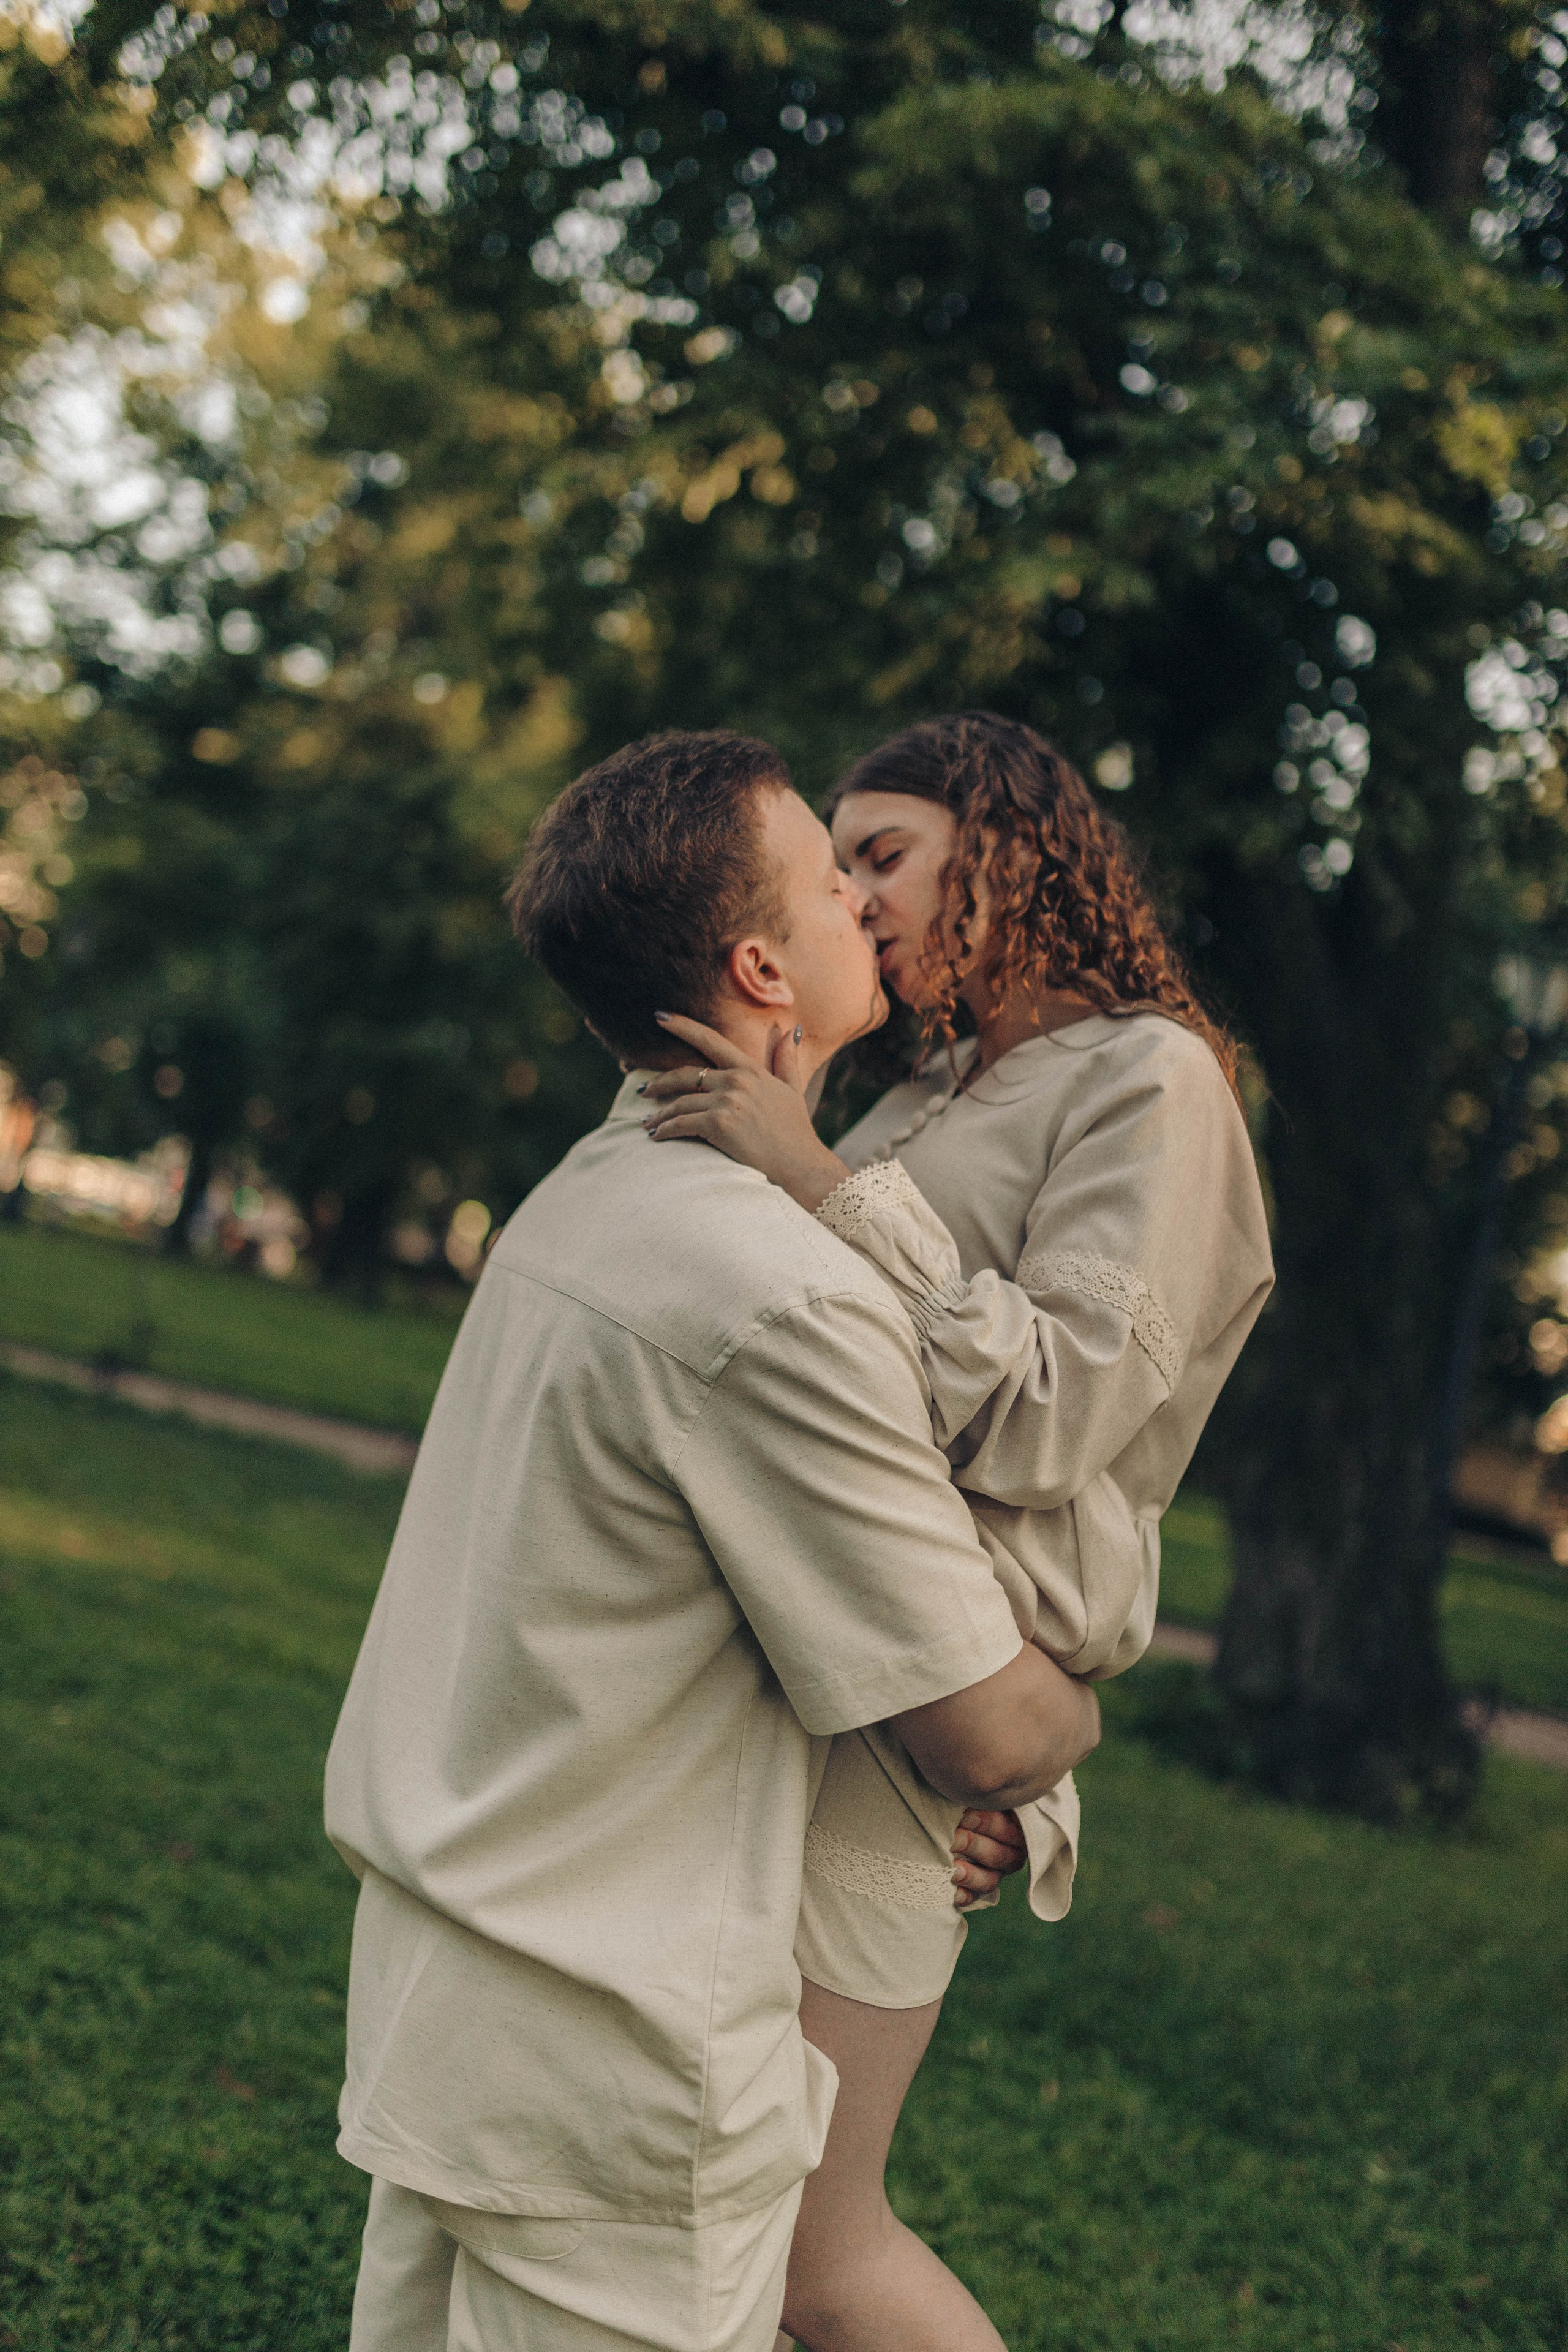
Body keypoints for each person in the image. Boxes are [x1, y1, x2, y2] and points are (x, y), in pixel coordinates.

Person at [324, 728, 1102, 2352]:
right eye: (835, 877)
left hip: (443, 2002)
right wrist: (1076, 1711)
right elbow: (986, 1727)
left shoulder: (580, 1201)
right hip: (614, 2080)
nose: (867, 908)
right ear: (764, 964)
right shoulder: (780, 1291)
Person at [639, 710, 1274, 2350]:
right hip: (820, 1644)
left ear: (1012, 848)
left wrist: (824, 1184)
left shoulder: (1156, 1080)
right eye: (837, 861)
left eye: (884, 855)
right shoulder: (927, 1088)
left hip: (939, 1678)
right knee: (709, 2188)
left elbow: (1066, 1404)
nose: (853, 896)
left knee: (809, 2243)